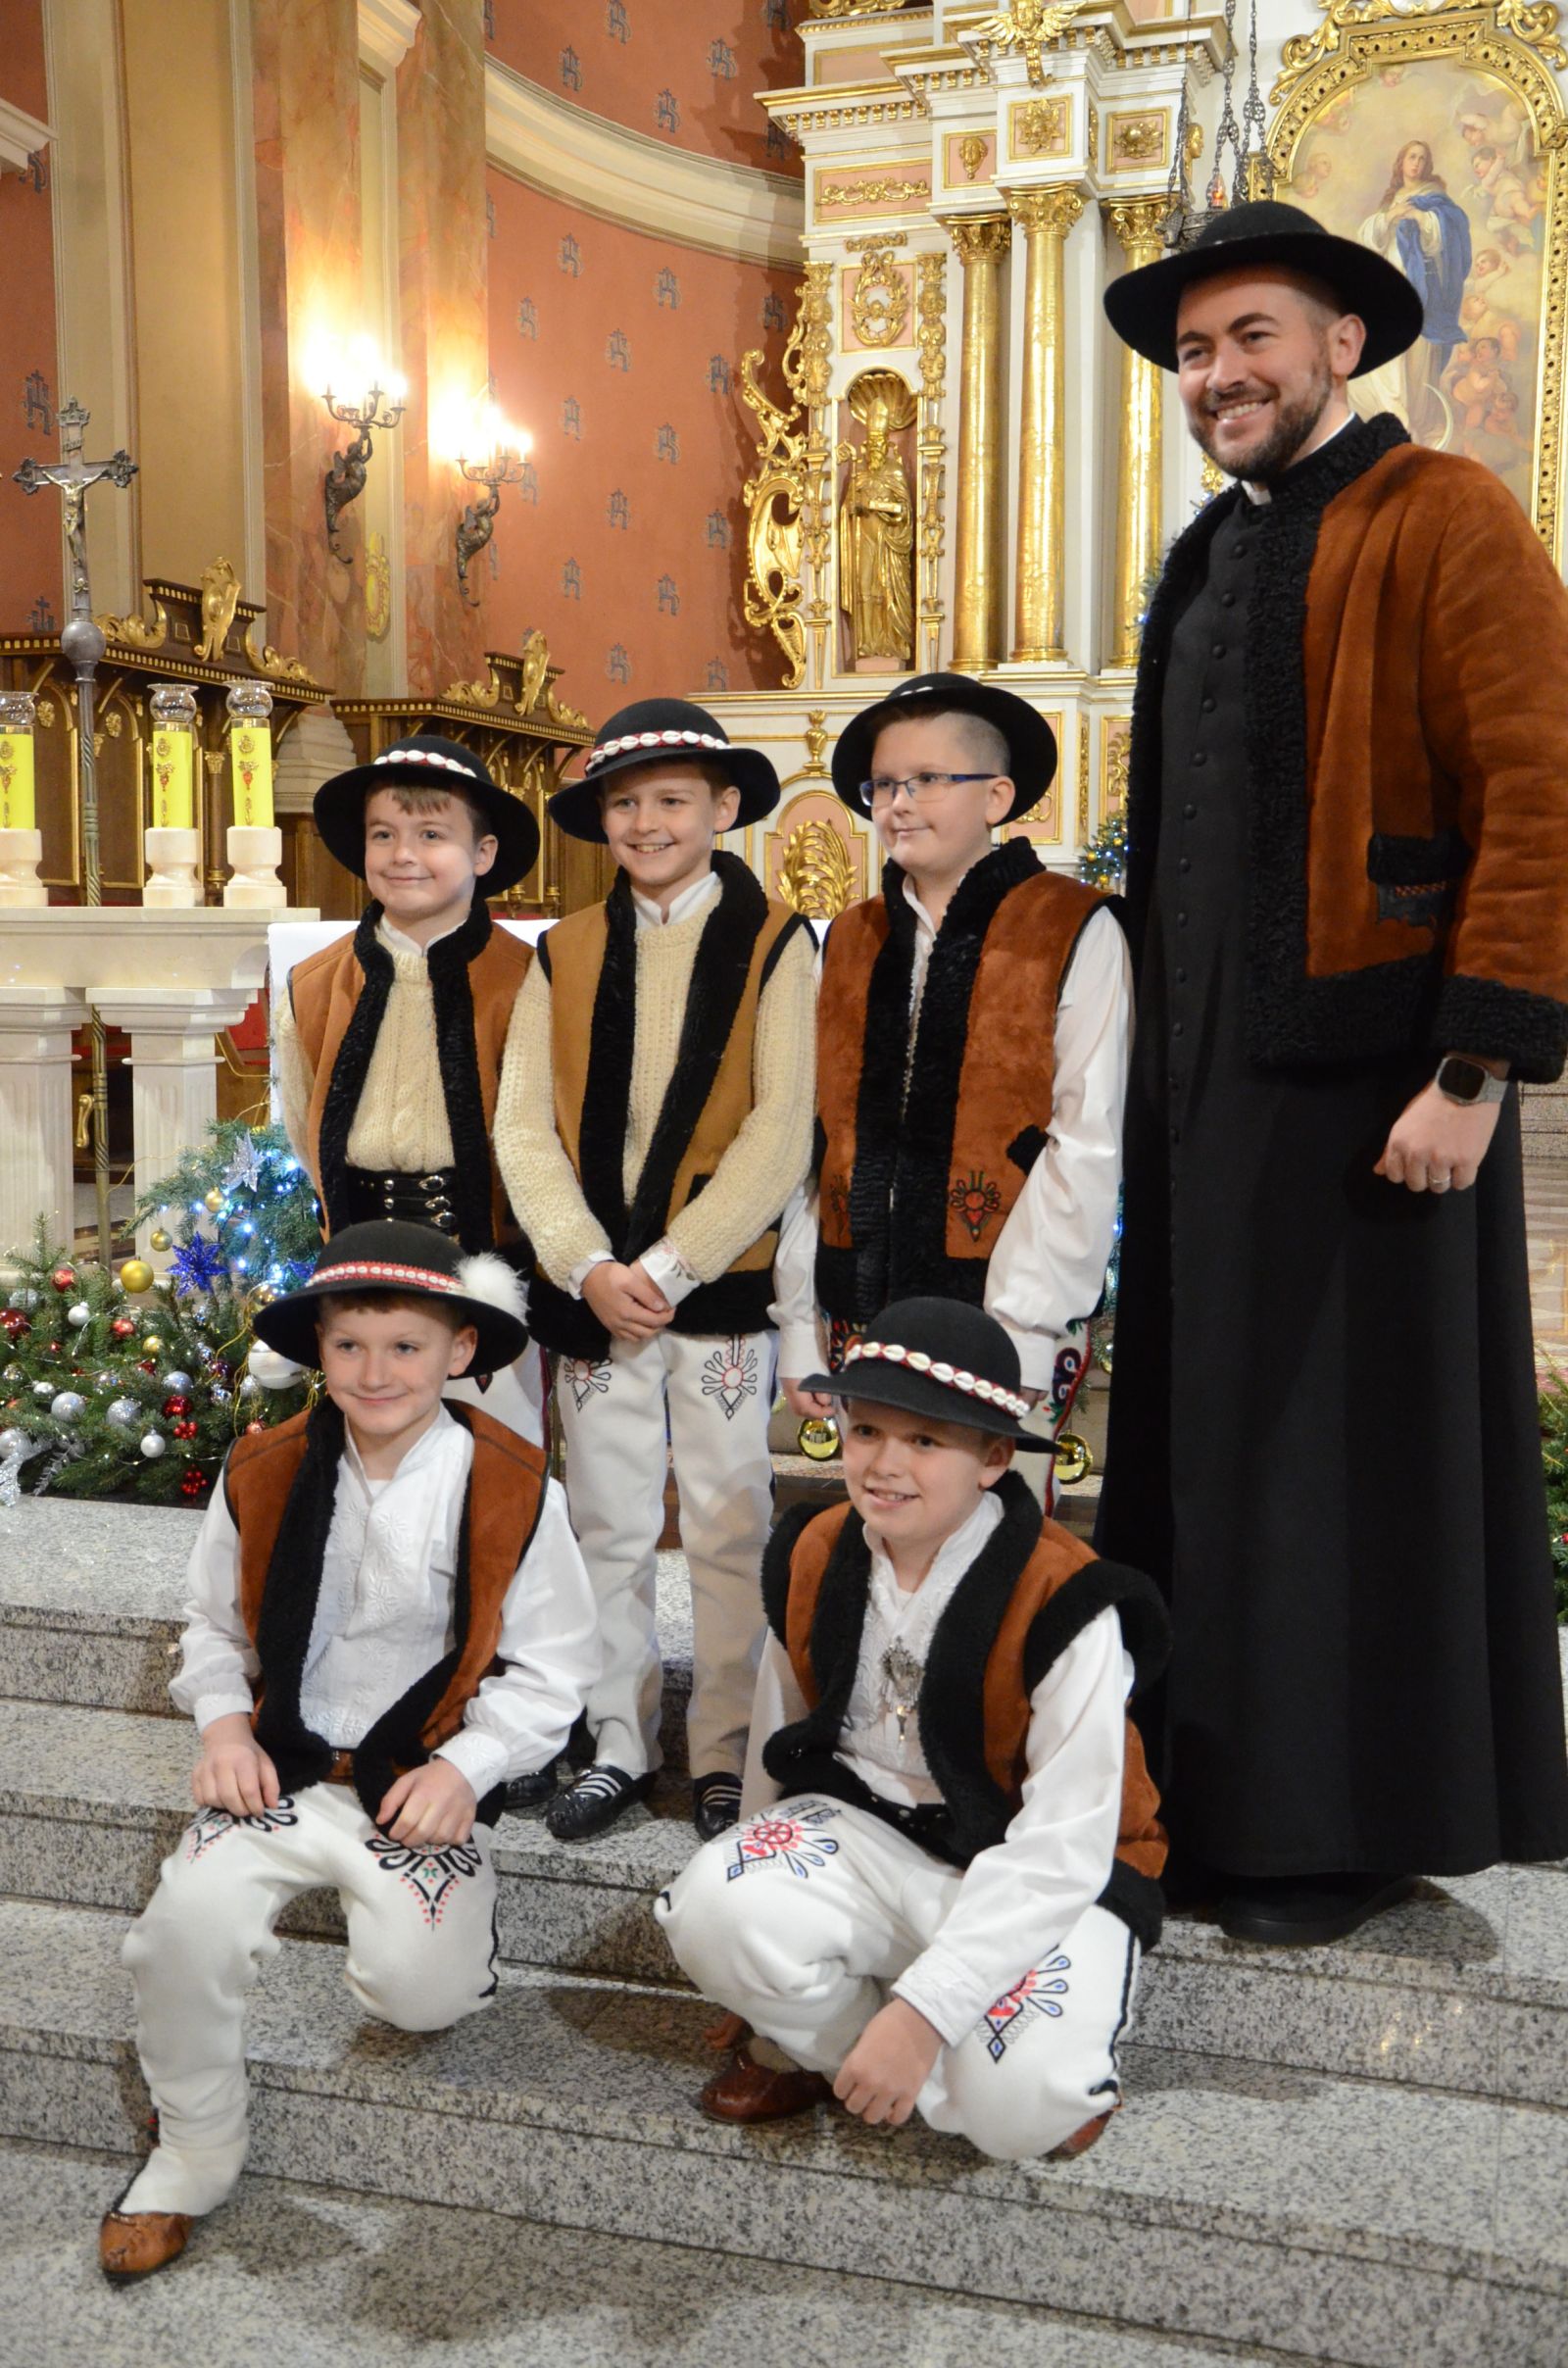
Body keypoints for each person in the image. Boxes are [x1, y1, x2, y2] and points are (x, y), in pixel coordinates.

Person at [1099, 199, 1568, 1945]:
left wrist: (1476, 1066)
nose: (1218, 373)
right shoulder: (1208, 554)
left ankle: (1341, 1830)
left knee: (1345, 1465)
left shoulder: (1444, 511)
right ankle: (1211, 1800)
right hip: (1209, 1089)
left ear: (1342, 344)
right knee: (1219, 1446)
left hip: (1379, 1088)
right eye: (1194, 351)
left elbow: (1540, 784)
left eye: (1252, 339)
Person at [97, 1220, 600, 2281]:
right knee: (179, 1931)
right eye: (350, 1346)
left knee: (420, 1995)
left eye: (406, 1346)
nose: (376, 1373)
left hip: (414, 1777)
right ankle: (191, 2151)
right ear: (319, 1350)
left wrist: (467, 1767)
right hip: (284, 1768)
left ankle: (451, 1934)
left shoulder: (512, 1482)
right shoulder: (265, 1465)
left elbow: (553, 1666)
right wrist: (224, 1723)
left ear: (461, 1349)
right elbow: (213, 1627)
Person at [658, 1298, 1167, 2161]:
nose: (885, 1466)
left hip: (1027, 1867)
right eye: (866, 1431)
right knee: (711, 1907)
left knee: (1024, 2112)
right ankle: (843, 2052)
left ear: (994, 1458)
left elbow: (1063, 1845)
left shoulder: (1063, 1596)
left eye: (925, 1441)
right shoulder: (816, 1549)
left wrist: (928, 2012)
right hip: (869, 1837)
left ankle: (968, 2067)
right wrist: (758, 1969)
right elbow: (782, 1740)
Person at [494, 698, 816, 1844]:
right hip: (595, 1295)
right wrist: (584, 1261)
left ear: (723, 806)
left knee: (728, 1523)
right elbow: (523, 1125)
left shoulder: (778, 941)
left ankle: (724, 1748)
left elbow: (782, 1129)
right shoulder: (565, 950)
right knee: (607, 1524)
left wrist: (670, 1267)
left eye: (672, 798)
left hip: (714, 1289)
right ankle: (616, 1739)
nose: (646, 821)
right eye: (624, 802)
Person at [774, 671, 1131, 1489]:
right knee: (882, 1512)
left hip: (1001, 1309)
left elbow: (1085, 1138)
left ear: (997, 795)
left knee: (998, 1524)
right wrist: (799, 1320)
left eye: (928, 780)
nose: (899, 804)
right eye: (884, 785)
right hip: (859, 1303)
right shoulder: (852, 937)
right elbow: (816, 1140)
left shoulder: (1072, 926)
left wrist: (1026, 1329)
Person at [272, 732, 545, 1449]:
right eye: (383, 834)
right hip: (360, 1265)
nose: (403, 855)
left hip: (484, 1269)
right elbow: (303, 1127)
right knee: (369, 1454)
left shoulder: (524, 980)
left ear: (482, 853)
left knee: (493, 1457)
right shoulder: (315, 983)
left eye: (431, 835)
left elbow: (544, 1138)